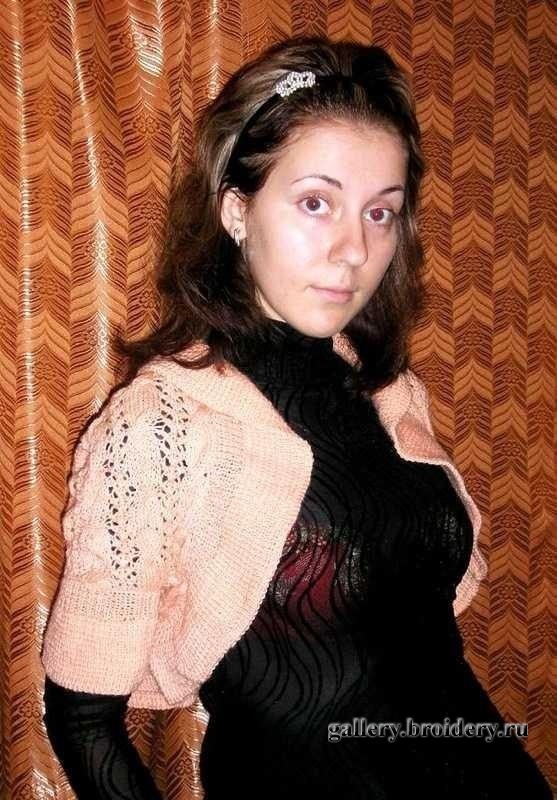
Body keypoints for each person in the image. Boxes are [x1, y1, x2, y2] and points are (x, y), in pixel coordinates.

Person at [41, 35, 552, 800]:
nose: (355, 249)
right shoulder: (160, 424)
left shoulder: (389, 390)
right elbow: (83, 720)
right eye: (316, 203)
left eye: (381, 213)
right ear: (236, 211)